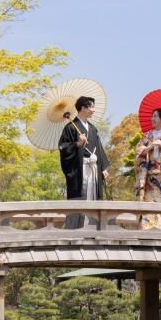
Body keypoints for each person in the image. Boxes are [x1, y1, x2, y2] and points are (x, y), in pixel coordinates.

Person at [58, 95, 109, 230]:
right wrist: (77, 143)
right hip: (80, 170)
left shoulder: (92, 128)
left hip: (94, 168)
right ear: (83, 108)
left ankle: (92, 230)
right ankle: (75, 231)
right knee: (80, 198)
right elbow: (63, 147)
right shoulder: (70, 127)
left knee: (93, 197)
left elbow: (99, 148)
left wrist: (103, 167)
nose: (94, 110)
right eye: (91, 107)